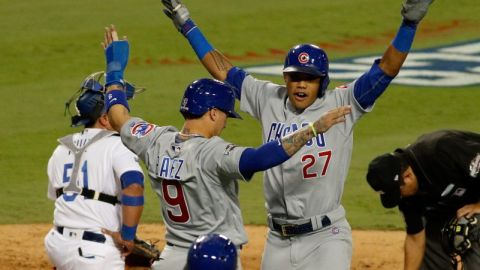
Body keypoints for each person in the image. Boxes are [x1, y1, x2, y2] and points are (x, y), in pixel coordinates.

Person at [160, 0, 434, 269]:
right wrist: (187, 24)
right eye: (295, 77)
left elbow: (386, 69)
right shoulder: (267, 98)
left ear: (322, 81)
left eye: (310, 78)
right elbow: (222, 70)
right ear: (285, 78)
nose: (301, 84)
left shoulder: (344, 102)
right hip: (278, 239)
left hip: (326, 238)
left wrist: (409, 25)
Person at [100, 25, 351, 270]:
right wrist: (312, 130)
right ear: (212, 113)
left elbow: (117, 115)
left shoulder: (154, 140)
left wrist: (114, 71)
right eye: (224, 116)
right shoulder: (213, 153)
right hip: (215, 257)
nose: (225, 123)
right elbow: (257, 159)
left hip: (172, 257)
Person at [44, 71, 145, 270]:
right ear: (106, 119)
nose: (125, 119)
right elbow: (134, 187)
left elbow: (62, 199)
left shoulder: (60, 149)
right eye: (120, 113)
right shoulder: (118, 145)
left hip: (57, 245)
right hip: (96, 252)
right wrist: (128, 237)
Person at [366, 129, 480, 270]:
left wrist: (478, 206)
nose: (400, 198)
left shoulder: (441, 150)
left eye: (398, 192)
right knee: (432, 236)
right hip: (453, 206)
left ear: (408, 176)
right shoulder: (406, 192)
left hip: (475, 202)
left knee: (470, 224)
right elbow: (415, 238)